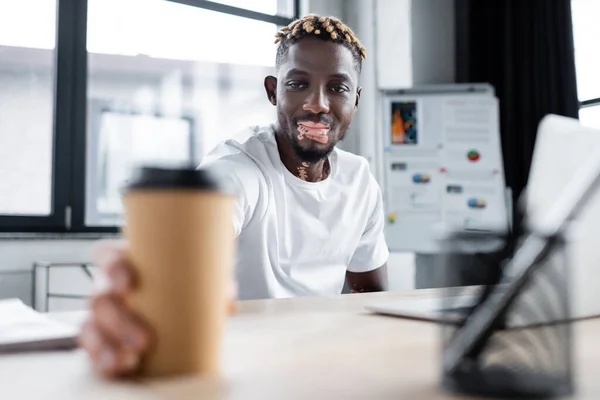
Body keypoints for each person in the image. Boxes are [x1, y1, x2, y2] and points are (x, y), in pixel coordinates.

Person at [79, 14, 389, 377]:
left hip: (320, 361)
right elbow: (182, 243)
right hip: (240, 364)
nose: (317, 104)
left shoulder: (359, 180)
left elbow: (372, 293)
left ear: (355, 98)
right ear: (274, 91)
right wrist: (139, 287)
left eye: (337, 88)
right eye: (298, 84)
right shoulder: (239, 168)